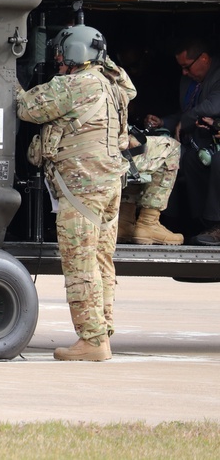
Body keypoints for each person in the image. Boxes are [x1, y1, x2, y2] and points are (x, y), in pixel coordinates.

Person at [17, 24, 135, 362]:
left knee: (80, 265)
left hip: (80, 191)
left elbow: (27, 108)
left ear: (72, 54)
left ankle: (92, 341)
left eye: (61, 56)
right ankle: (103, 331)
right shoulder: (115, 86)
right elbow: (130, 90)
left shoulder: (71, 85)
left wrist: (10, 83)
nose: (58, 63)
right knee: (101, 262)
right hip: (109, 188)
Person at [144, 39, 220, 246]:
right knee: (169, 157)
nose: (184, 73)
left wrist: (185, 121)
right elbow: (185, 114)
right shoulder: (189, 82)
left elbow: (212, 106)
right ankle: (173, 222)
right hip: (197, 144)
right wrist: (164, 122)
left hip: (212, 140)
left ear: (204, 58)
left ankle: (213, 224)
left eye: (187, 66)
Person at [117, 133, 184, 245]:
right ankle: (148, 222)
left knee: (138, 164)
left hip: (86, 154)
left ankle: (124, 221)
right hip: (109, 152)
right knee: (171, 147)